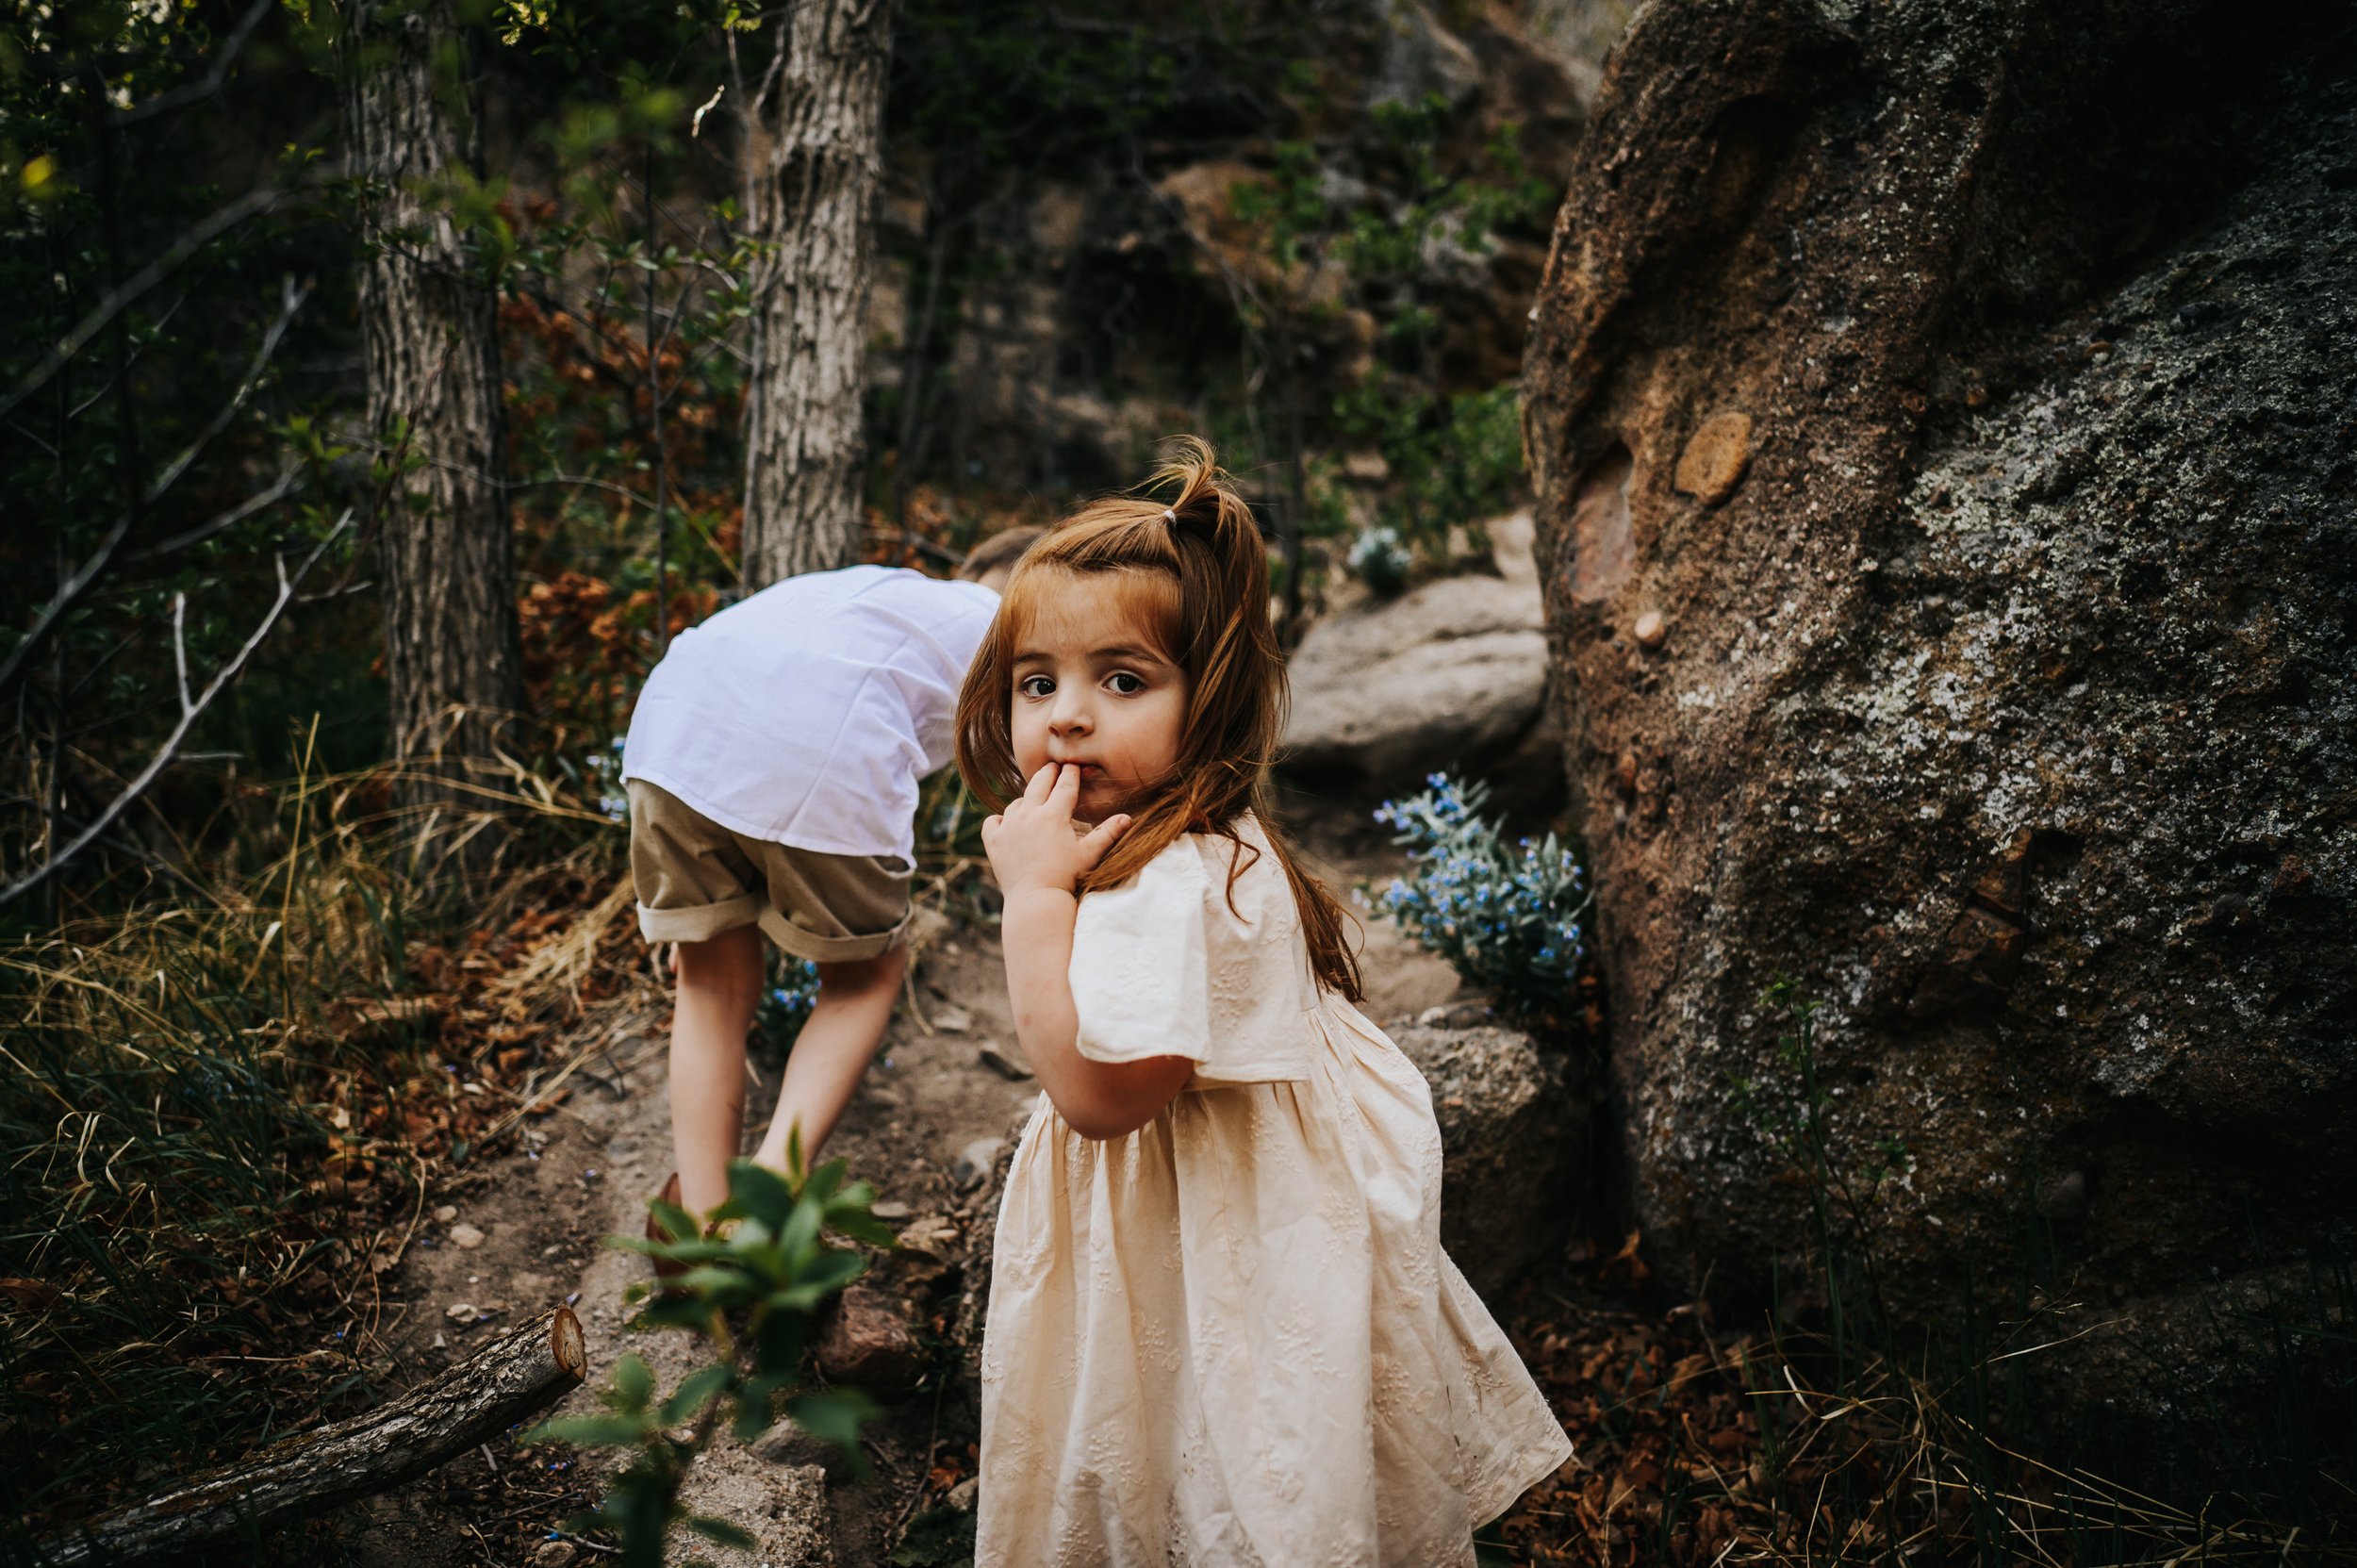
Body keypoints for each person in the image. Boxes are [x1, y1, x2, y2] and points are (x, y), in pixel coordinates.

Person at [955, 439, 1570, 1566]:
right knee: (1249, 1444)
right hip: (1247, 1205)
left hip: (1219, 1222)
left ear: (1214, 697)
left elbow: (1097, 1098)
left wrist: (1032, 900)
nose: (1067, 717)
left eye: (1122, 680)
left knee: (1216, 1442)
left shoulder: (1168, 881)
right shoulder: (1194, 842)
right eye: (1037, 680)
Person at [621, 528, 1040, 1230]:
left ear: (971, 567)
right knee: (865, 977)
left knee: (709, 981)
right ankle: (767, 1195)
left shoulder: (880, 590)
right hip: (822, 742)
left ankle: (699, 1222)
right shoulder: (1014, 629)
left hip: (670, 727)